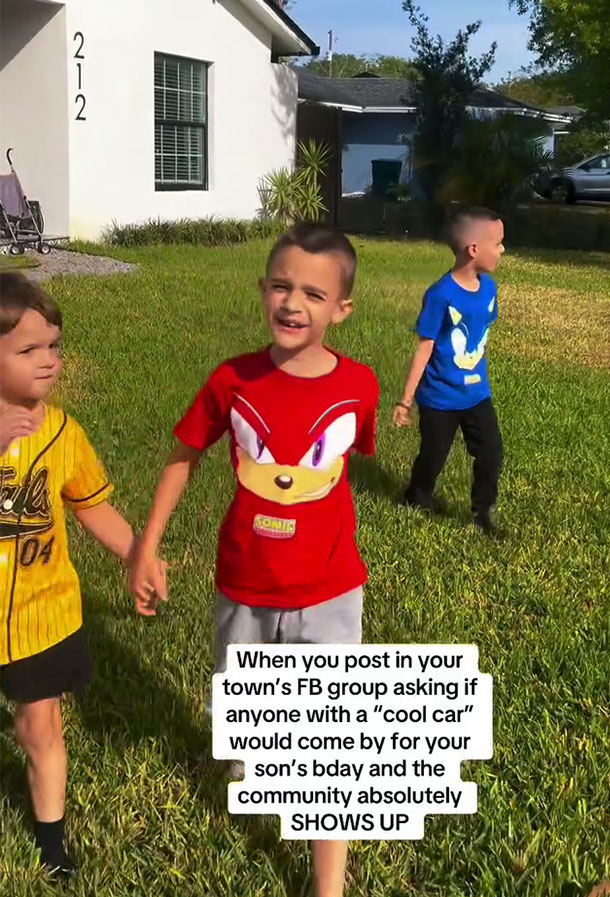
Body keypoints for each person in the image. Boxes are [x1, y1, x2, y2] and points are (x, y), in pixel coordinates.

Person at [129, 223, 379, 897]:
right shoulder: (231, 379)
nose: (293, 303)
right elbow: (184, 456)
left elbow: (347, 464)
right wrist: (146, 545)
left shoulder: (359, 386)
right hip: (243, 585)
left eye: (313, 293)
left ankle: (329, 882)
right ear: (262, 289)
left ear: (341, 309)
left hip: (331, 588)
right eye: (281, 285)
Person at [0, 272, 148, 878]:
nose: (48, 362)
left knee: (41, 726)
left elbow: (91, 504)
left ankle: (52, 843)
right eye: (28, 350)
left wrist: (138, 552)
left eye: (54, 346)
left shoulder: (62, 433)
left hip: (42, 613)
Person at [393, 207, 506, 536]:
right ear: (474, 249)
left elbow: (479, 337)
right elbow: (425, 347)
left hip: (476, 395)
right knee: (433, 455)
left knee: (491, 452)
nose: (502, 250)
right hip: (439, 398)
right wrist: (405, 401)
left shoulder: (489, 290)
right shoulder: (440, 294)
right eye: (497, 243)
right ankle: (417, 495)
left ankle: (483, 512)